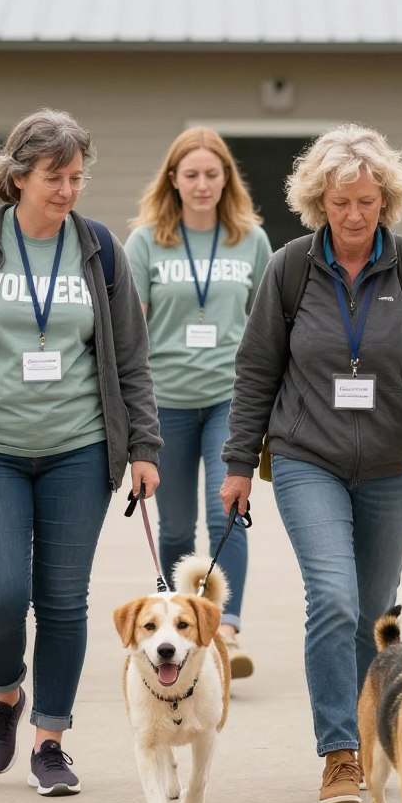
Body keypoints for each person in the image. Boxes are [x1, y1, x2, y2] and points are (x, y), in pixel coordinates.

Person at [0, 108, 161, 796]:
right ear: (17, 174)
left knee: (64, 602)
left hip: (78, 451)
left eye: (76, 177)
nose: (68, 190)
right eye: (54, 176)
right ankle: (6, 694)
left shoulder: (99, 250)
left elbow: (131, 360)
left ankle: (50, 740)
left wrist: (143, 445)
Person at [220, 124, 402, 803]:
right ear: (317, 203)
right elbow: (256, 370)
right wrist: (240, 464)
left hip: (392, 464)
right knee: (330, 596)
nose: (354, 216)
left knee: (366, 613)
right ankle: (338, 754)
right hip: (309, 458)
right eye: (339, 203)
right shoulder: (290, 268)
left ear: (386, 198)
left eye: (365, 201)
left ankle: (370, 736)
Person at [125, 128, 270, 679]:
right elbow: (131, 330)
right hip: (167, 402)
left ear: (227, 179)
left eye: (213, 174)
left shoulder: (250, 239)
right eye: (192, 175)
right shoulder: (146, 242)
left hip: (230, 399)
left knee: (225, 511)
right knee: (177, 526)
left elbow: (268, 325)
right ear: (174, 179)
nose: (203, 184)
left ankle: (225, 627)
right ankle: (172, 627)